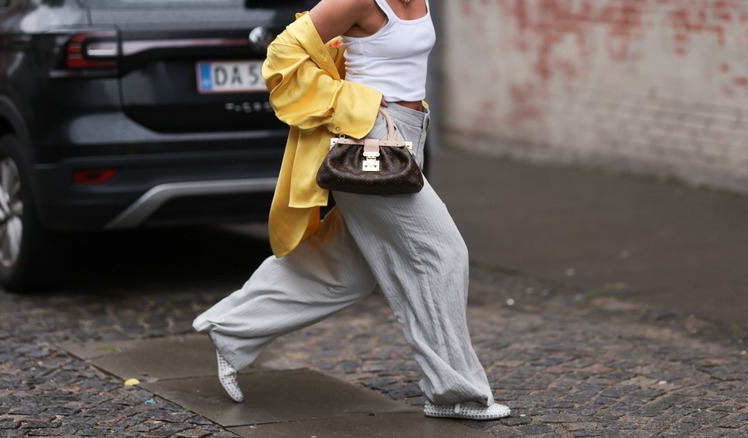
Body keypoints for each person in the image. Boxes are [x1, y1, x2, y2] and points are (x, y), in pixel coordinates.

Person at [193, 0, 511, 420]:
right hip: (370, 141)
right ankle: (454, 392)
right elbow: (281, 54)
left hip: (408, 136)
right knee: (442, 253)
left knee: (345, 271)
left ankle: (229, 329)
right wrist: (355, 104)